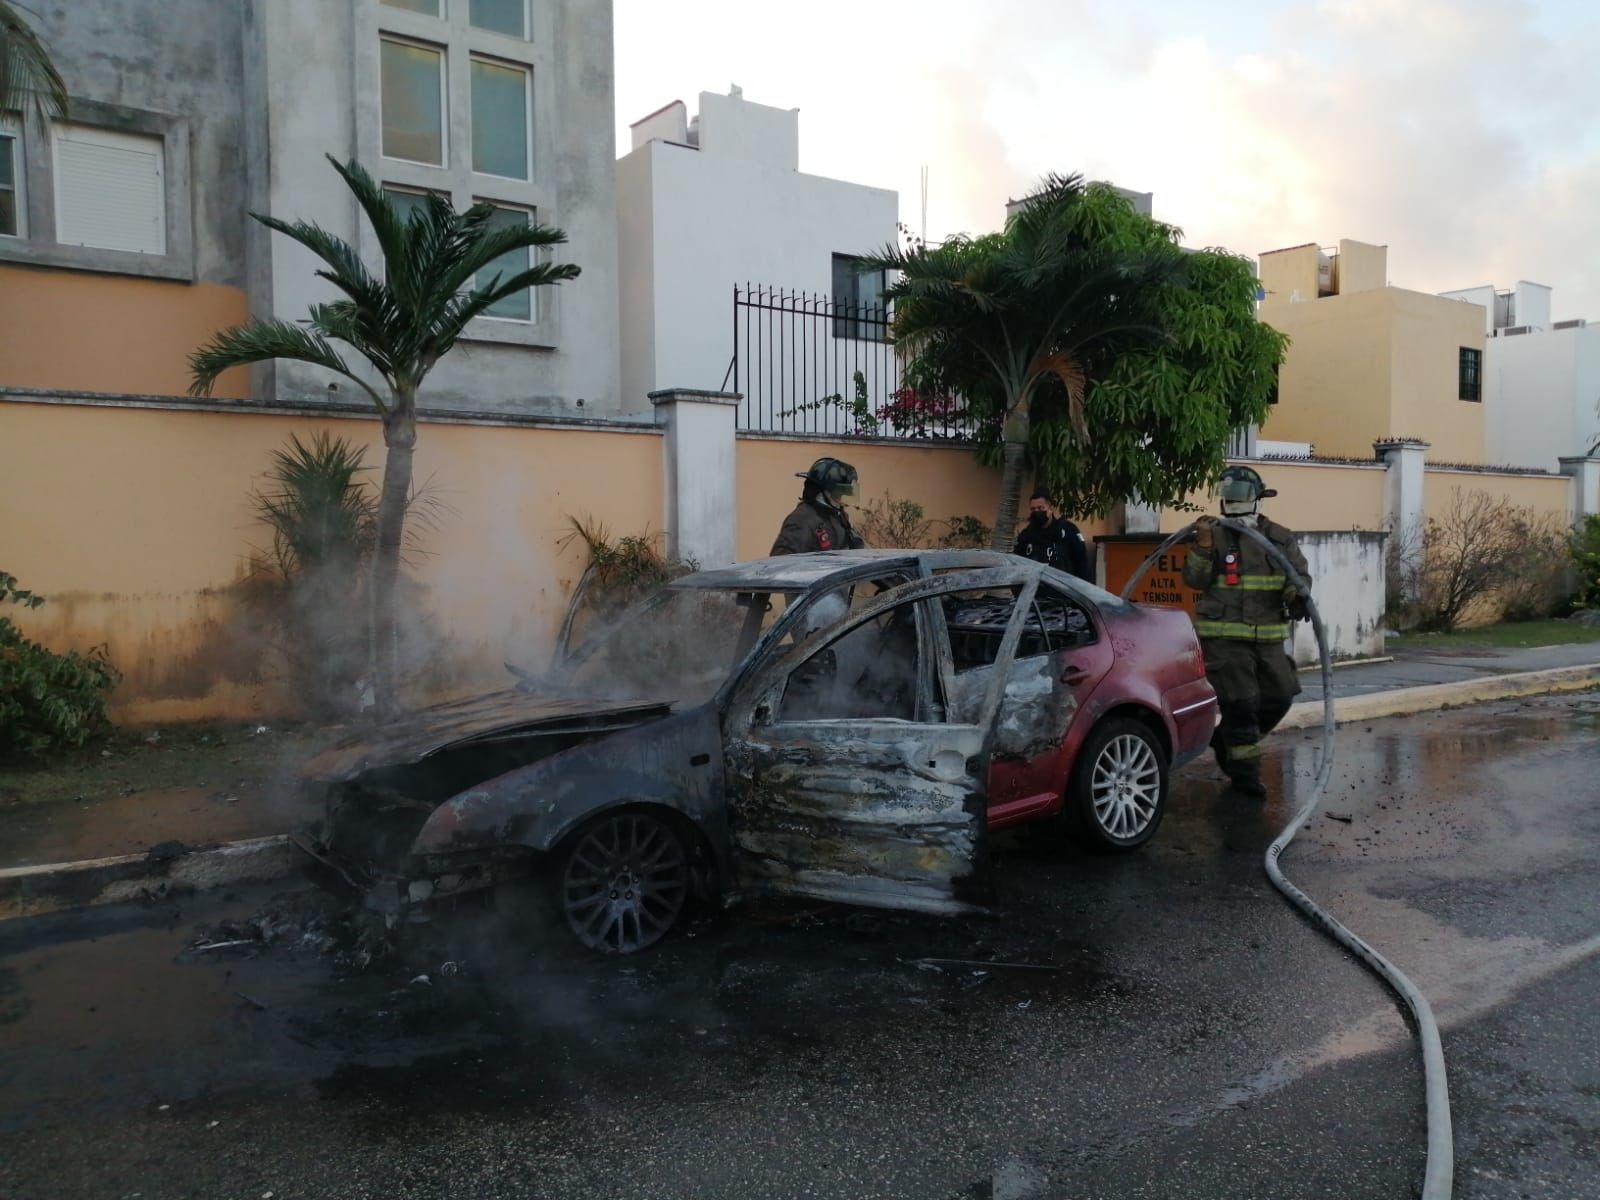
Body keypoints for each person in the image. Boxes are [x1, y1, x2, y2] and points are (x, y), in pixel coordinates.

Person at [1181, 466, 1311, 797]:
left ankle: (1226, 739)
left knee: (1281, 695)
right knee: (1242, 705)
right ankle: (1244, 775)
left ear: (1257, 499)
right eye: (1229, 497)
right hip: (1224, 639)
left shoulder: (1278, 537)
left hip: (1267, 637)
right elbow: (1194, 580)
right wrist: (1203, 546)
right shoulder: (1211, 534)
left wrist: (1298, 598)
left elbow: (1298, 577)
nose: (1233, 503)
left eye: (1240, 497)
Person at [771, 457, 865, 555]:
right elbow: (781, 560)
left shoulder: (837, 516)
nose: (841, 497)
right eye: (839, 493)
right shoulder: (801, 520)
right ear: (824, 492)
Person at [1013, 490, 1091, 581]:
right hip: (1034, 587)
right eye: (1033, 509)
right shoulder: (1027, 534)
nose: (1036, 511)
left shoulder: (1068, 530)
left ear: (1051, 508)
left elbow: (1081, 561)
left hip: (1063, 587)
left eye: (1041, 508)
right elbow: (1018, 562)